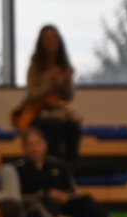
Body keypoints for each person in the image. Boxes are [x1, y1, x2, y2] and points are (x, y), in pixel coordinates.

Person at [15, 125, 119, 217]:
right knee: (42, 200)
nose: (34, 148)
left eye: (38, 144)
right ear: (24, 147)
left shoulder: (59, 165)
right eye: (30, 145)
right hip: (34, 206)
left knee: (85, 199)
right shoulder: (18, 169)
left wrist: (64, 196)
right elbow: (16, 197)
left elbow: (73, 191)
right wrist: (46, 193)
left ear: (45, 145)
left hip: (61, 204)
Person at [15, 24, 82, 163]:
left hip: (58, 111)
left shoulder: (63, 64)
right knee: (53, 126)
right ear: (41, 42)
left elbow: (68, 96)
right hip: (38, 113)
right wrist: (51, 80)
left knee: (73, 126)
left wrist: (66, 81)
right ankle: (52, 166)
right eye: (47, 38)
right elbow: (32, 94)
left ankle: (70, 168)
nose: (52, 42)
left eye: (54, 38)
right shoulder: (35, 64)